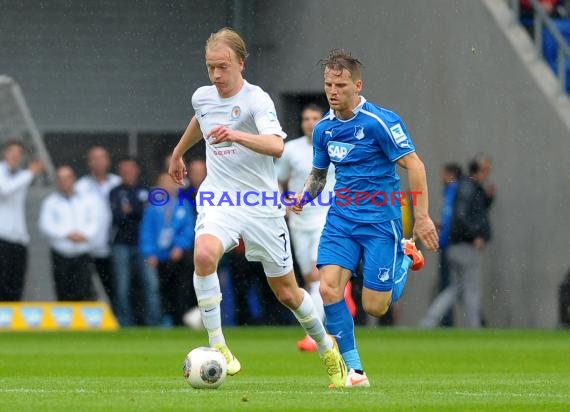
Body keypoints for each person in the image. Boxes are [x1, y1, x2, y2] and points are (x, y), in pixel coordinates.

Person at [168, 27, 346, 387]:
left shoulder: (256, 100)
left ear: (241, 63)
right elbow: (200, 119)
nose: (216, 75)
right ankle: (219, 346)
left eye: (223, 67)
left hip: (261, 205)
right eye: (210, 68)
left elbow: (276, 146)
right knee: (203, 254)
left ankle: (328, 348)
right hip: (220, 197)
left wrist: (235, 134)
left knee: (288, 293)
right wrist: (178, 151)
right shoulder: (202, 97)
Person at [291, 50, 439, 388]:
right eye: (328, 84)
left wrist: (422, 217)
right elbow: (318, 175)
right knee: (328, 288)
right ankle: (355, 371)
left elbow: (415, 165)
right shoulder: (324, 129)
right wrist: (303, 196)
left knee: (375, 306)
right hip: (341, 219)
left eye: (340, 85)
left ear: (358, 85)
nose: (333, 91)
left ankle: (404, 257)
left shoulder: (380, 122)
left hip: (378, 222)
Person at [276, 104, 356, 351]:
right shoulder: (290, 150)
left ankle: (314, 336)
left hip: (326, 216)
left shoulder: (335, 145)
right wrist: (284, 205)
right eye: (305, 118)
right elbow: (279, 180)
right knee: (310, 277)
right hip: (299, 221)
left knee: (319, 273)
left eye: (314, 118)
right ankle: (343, 296)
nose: (310, 122)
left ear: (322, 120)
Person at [420, 155, 494, 329]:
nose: (487, 174)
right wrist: (476, 235)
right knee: (471, 289)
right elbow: (464, 217)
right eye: (485, 170)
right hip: (464, 246)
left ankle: (429, 321)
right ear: (479, 170)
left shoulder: (461, 187)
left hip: (454, 245)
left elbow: (462, 214)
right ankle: (474, 327)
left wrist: (489, 199)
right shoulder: (469, 188)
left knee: (454, 288)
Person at [109, 157, 160, 326]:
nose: (127, 173)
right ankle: (124, 323)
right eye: (124, 170)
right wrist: (137, 209)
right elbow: (117, 217)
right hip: (121, 244)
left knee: (150, 285)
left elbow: (149, 215)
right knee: (122, 287)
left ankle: (153, 323)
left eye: (130, 169)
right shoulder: (115, 191)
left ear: (137, 170)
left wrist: (130, 210)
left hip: (144, 246)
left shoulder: (147, 190)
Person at [140, 173, 196, 326]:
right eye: (164, 183)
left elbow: (188, 229)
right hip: (159, 257)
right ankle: (163, 319)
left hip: (178, 255)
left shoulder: (183, 205)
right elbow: (147, 232)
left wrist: (180, 246)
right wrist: (150, 253)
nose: (168, 186)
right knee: (160, 289)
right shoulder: (152, 208)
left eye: (171, 183)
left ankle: (180, 319)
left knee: (180, 288)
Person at [39, 166, 99, 301]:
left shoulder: (87, 200)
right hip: (60, 255)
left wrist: (84, 235)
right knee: (63, 293)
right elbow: (45, 225)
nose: (64, 182)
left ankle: (82, 323)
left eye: (67, 178)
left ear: (73, 179)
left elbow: (94, 222)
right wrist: (67, 234)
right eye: (60, 179)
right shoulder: (50, 202)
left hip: (83, 254)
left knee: (85, 292)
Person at [75, 146, 121, 304]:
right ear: (89, 162)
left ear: (108, 161)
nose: (99, 162)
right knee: (87, 288)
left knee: (116, 287)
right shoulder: (80, 186)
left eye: (102, 157)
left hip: (115, 245)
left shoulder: (118, 183)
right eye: (95, 158)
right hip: (89, 247)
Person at [0, 140, 44, 301]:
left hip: (19, 239)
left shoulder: (20, 175)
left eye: (19, 153)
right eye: (12, 152)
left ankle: (11, 324)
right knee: (2, 283)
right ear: (5, 153)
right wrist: (30, 172)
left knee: (16, 285)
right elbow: (5, 190)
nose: (15, 156)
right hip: (2, 239)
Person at [436, 163, 463, 327]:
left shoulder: (454, 191)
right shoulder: (451, 191)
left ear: (451, 175)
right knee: (461, 286)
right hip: (450, 243)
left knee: (451, 286)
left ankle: (444, 321)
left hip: (450, 245)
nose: (442, 177)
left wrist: (442, 242)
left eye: (444, 174)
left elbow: (450, 218)